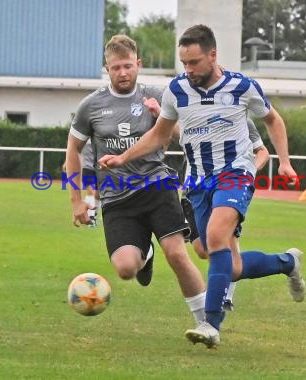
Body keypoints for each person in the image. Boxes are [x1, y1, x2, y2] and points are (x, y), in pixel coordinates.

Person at [100, 25, 306, 348]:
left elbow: (273, 120)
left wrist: (285, 161)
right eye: (184, 63)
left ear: (212, 55)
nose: (189, 70)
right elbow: (159, 134)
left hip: (235, 174)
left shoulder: (241, 86)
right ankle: (288, 262)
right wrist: (124, 156)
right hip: (196, 181)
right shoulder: (177, 90)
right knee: (224, 261)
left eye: (194, 62)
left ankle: (211, 323)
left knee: (215, 236)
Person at [65, 35, 207, 326]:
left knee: (177, 253)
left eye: (128, 66)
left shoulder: (158, 95)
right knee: (126, 269)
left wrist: (160, 116)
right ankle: (146, 252)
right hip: (116, 197)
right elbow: (73, 150)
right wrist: (77, 201)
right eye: (116, 68)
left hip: (157, 186)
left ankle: (207, 323)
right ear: (107, 68)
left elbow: (186, 137)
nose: (123, 73)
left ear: (138, 64)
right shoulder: (90, 106)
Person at [180, 118, 270, 311]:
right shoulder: (188, 110)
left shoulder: (241, 118)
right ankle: (285, 262)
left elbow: (262, 152)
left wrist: (250, 171)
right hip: (195, 188)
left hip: (227, 186)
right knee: (203, 250)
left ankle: (225, 297)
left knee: (223, 239)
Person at [63, 141, 101, 227]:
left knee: (98, 194)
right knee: (91, 191)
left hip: (99, 168)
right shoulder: (82, 135)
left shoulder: (98, 134)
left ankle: (93, 212)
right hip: (86, 168)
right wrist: (67, 162)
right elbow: (74, 148)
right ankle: (90, 219)